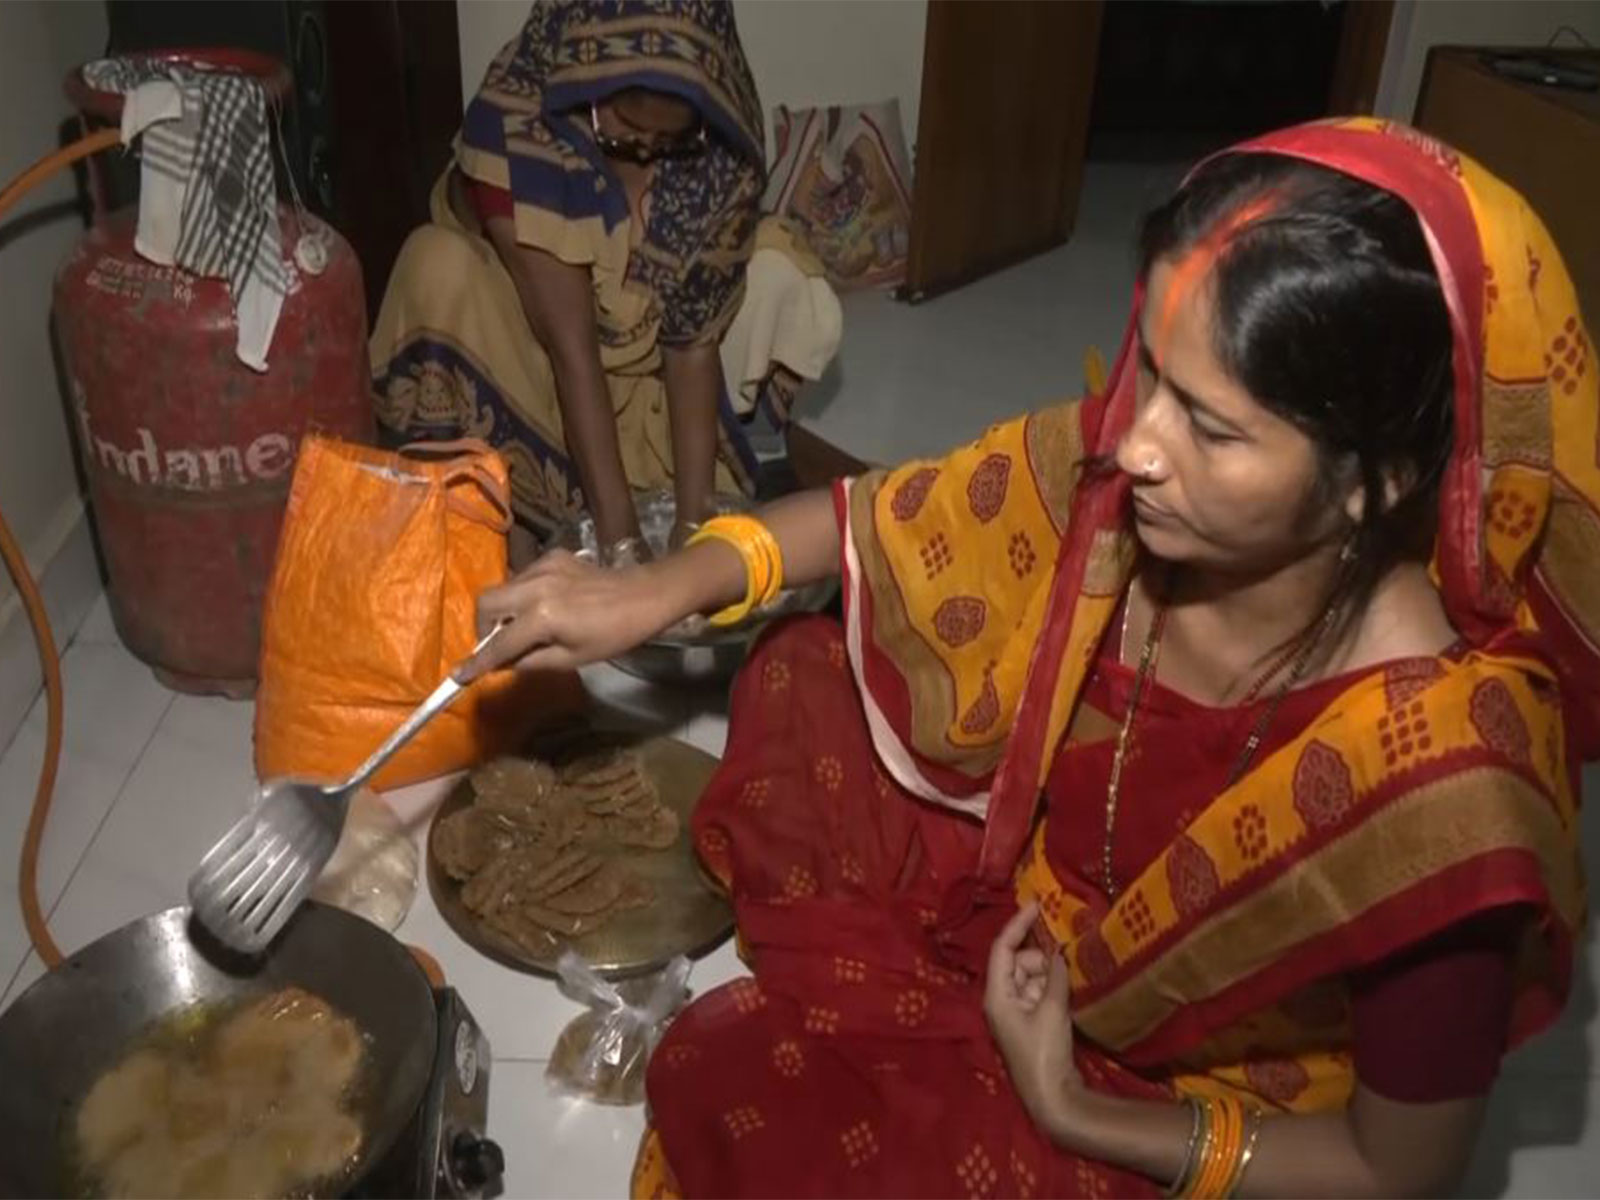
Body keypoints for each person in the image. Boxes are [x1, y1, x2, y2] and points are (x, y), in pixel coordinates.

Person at [463, 119, 1599, 1196]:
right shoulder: (1139, 477)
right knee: (806, 665)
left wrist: (1066, 1103)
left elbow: (1395, 1170)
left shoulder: (1443, 803)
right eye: (1148, 368)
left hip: (1188, 1090)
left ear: (1375, 479)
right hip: (1025, 896)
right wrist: (648, 592)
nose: (1135, 443)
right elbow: (874, 519)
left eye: (1210, 427)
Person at [371, 1, 840, 560]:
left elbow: (691, 348)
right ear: (586, 82)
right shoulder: (521, 123)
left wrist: (691, 542)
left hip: (639, 385)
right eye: (625, 132)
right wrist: (623, 549)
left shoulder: (719, 147)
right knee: (435, 263)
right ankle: (512, 522)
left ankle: (635, 512)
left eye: (668, 141)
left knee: (780, 260)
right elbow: (573, 354)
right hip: (532, 365)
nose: (644, 152)